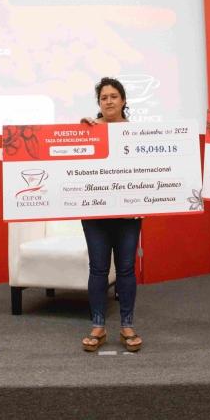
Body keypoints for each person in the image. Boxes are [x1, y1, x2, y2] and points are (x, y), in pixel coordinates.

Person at [79, 77, 143, 352]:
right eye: (103, 97)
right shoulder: (88, 130)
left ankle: (127, 325)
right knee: (98, 269)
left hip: (128, 216)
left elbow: (145, 171)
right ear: (99, 103)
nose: (109, 101)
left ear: (123, 100)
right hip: (95, 214)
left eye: (114, 96)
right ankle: (98, 326)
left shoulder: (137, 133)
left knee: (126, 269)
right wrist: (80, 132)